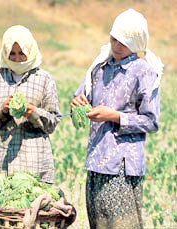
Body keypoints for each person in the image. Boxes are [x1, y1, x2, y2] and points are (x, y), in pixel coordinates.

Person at [70, 9, 163, 229]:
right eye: (114, 38)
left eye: (124, 41)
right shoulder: (99, 68)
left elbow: (151, 121)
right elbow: (80, 100)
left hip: (122, 165)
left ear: (136, 41)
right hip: (95, 161)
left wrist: (115, 116)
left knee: (122, 225)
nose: (117, 45)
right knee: (99, 224)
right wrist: (77, 105)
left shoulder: (144, 72)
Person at [0, 25, 61, 184]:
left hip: (34, 163)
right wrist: (2, 110)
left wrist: (33, 112)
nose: (17, 58)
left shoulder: (44, 79)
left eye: (22, 53)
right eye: (12, 54)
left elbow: (53, 122)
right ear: (5, 53)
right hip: (0, 164)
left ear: (30, 51)